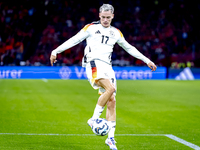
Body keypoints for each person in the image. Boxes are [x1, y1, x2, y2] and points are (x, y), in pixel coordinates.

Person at [50, 4, 157, 150]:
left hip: (108, 67)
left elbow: (129, 48)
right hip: (93, 63)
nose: (105, 20)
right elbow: (74, 40)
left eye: (108, 17)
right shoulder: (91, 28)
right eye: (103, 17)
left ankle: (111, 138)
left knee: (112, 100)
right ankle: (93, 120)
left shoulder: (116, 33)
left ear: (112, 16)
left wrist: (147, 60)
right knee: (110, 89)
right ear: (99, 15)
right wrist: (56, 51)